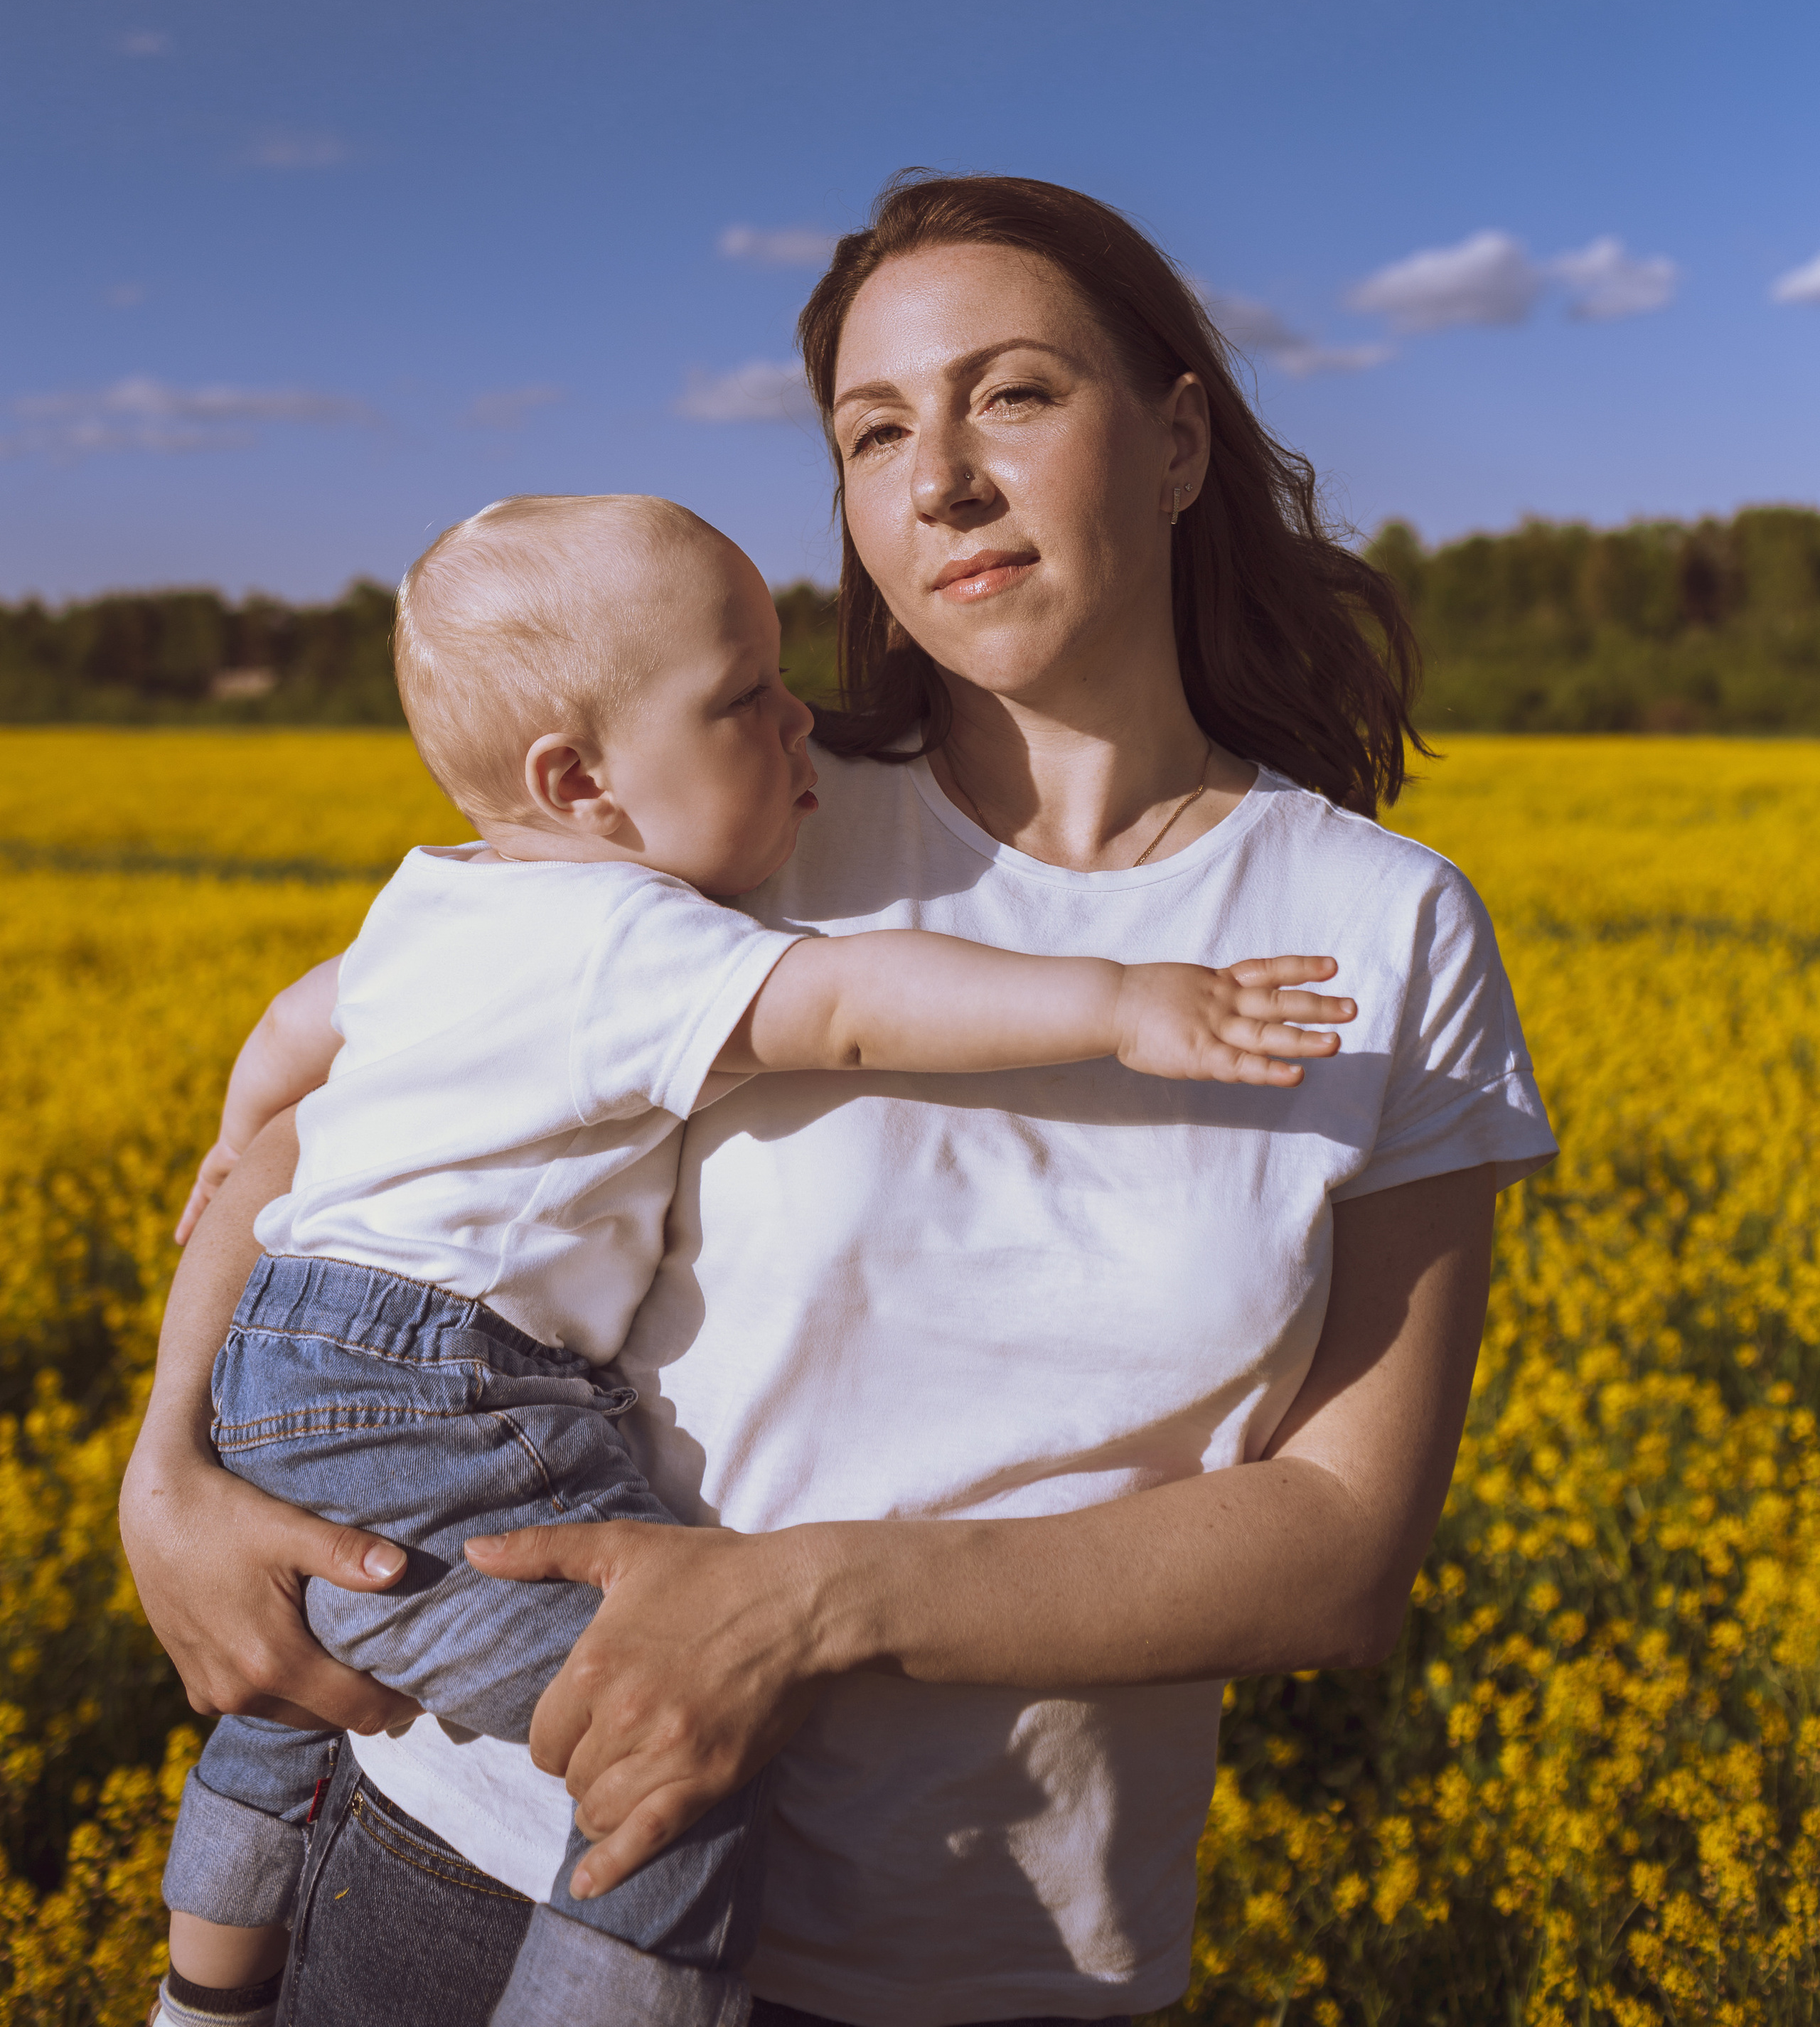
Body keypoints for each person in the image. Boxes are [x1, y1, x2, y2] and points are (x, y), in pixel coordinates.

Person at [122, 173, 1556, 2027]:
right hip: (477, 1851)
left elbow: (1345, 1551)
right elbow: (346, 1131)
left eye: (1015, 395)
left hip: (985, 1964)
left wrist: (806, 1604)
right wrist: (166, 1475)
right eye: (877, 433)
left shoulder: (1384, 929)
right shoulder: (731, 819)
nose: (942, 476)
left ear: (1182, 437)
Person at [154, 489, 1349, 2027]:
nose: (799, 725)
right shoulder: (630, 940)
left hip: (288, 1355)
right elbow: (851, 1002)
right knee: (657, 1765)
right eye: (743, 702)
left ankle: (204, 1994)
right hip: (441, 1388)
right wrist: (1115, 1003)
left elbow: (290, 1041)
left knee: (315, 1671)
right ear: (580, 781)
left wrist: (229, 1144)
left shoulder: (431, 896)